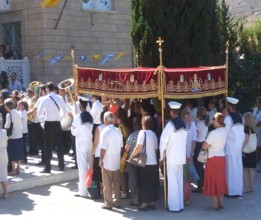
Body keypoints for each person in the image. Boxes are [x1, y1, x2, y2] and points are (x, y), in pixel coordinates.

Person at [159, 101, 187, 212]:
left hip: (172, 156)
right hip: (180, 156)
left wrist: (161, 155)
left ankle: (174, 207)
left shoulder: (170, 125)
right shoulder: (184, 123)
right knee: (179, 180)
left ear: (171, 112)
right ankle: (180, 205)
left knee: (172, 182)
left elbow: (163, 141)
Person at [36, 82, 68, 173]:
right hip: (57, 123)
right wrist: (59, 117)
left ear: (47, 89)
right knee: (59, 145)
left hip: (48, 123)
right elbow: (65, 112)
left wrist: (43, 119)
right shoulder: (60, 97)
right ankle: (61, 165)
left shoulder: (44, 99)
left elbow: (39, 113)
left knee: (48, 146)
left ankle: (48, 167)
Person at [129, 115, 158, 210]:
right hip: (153, 162)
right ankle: (152, 202)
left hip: (145, 162)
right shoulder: (153, 134)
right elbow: (156, 148)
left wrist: (132, 156)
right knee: (151, 183)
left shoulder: (142, 133)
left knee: (143, 183)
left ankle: (144, 203)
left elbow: (138, 147)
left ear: (144, 124)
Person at [202, 112, 228, 210]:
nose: (213, 121)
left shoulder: (214, 133)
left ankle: (214, 204)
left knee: (213, 180)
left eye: (214, 119)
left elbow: (205, 145)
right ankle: (220, 202)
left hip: (213, 158)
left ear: (217, 121)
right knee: (220, 180)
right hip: (221, 157)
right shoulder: (224, 131)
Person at [99, 112, 123, 210]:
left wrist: (101, 159)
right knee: (117, 182)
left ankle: (108, 203)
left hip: (108, 160)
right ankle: (117, 201)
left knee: (107, 182)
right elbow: (121, 146)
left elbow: (103, 148)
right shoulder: (118, 131)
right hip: (116, 159)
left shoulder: (105, 131)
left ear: (105, 120)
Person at [71, 98, 93, 197]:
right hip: (90, 144)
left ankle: (83, 192)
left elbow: (73, 132)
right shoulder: (91, 116)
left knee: (82, 168)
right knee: (89, 167)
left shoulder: (77, 117)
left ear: (80, 106)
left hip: (81, 146)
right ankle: (91, 188)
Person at [224, 97, 245, 197]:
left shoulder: (228, 118)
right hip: (238, 147)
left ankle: (231, 191)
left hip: (230, 147)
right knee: (237, 169)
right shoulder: (241, 117)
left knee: (230, 170)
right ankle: (238, 190)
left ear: (229, 106)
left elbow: (225, 133)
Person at [124, 116, 141, 206]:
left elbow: (127, 149)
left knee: (133, 179)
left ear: (134, 125)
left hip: (132, 160)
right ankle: (140, 197)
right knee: (141, 179)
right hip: (142, 160)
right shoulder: (145, 134)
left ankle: (135, 198)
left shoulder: (132, 135)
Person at [4, 98, 24, 175]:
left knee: (12, 153)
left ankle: (13, 169)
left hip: (12, 136)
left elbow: (7, 126)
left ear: (7, 106)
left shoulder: (9, 114)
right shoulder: (19, 112)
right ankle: (18, 168)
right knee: (18, 152)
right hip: (19, 135)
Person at [181, 109, 197, 205]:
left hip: (188, 154)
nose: (187, 119)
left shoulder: (193, 125)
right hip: (180, 155)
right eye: (185, 118)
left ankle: (187, 198)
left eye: (188, 117)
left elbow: (194, 140)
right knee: (182, 177)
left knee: (187, 177)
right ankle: (182, 196)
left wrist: (191, 154)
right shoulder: (180, 125)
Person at [193, 106, 209, 193]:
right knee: (201, 165)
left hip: (198, 144)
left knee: (198, 165)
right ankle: (203, 182)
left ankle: (199, 185)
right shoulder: (205, 123)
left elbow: (195, 135)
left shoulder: (199, 124)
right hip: (202, 142)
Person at [242, 112, 257, 192]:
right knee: (251, 169)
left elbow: (246, 140)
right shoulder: (253, 128)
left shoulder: (247, 128)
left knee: (245, 169)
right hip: (253, 150)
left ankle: (246, 187)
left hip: (247, 151)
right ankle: (251, 187)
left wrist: (241, 149)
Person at [92, 111, 105, 196]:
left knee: (99, 175)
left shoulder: (99, 128)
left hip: (98, 154)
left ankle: (102, 194)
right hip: (109, 154)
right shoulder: (114, 128)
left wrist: (92, 155)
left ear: (101, 119)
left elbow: (95, 144)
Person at [253, 97, 261, 171]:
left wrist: (254, 126)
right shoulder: (255, 109)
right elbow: (252, 118)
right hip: (255, 130)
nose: (256, 103)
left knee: (259, 147)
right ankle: (256, 160)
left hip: (259, 130)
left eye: (258, 102)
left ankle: (258, 161)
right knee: (256, 146)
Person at [0, 128, 8, 198]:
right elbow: (6, 143)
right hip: (3, 153)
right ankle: (5, 193)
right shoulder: (4, 132)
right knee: (3, 173)